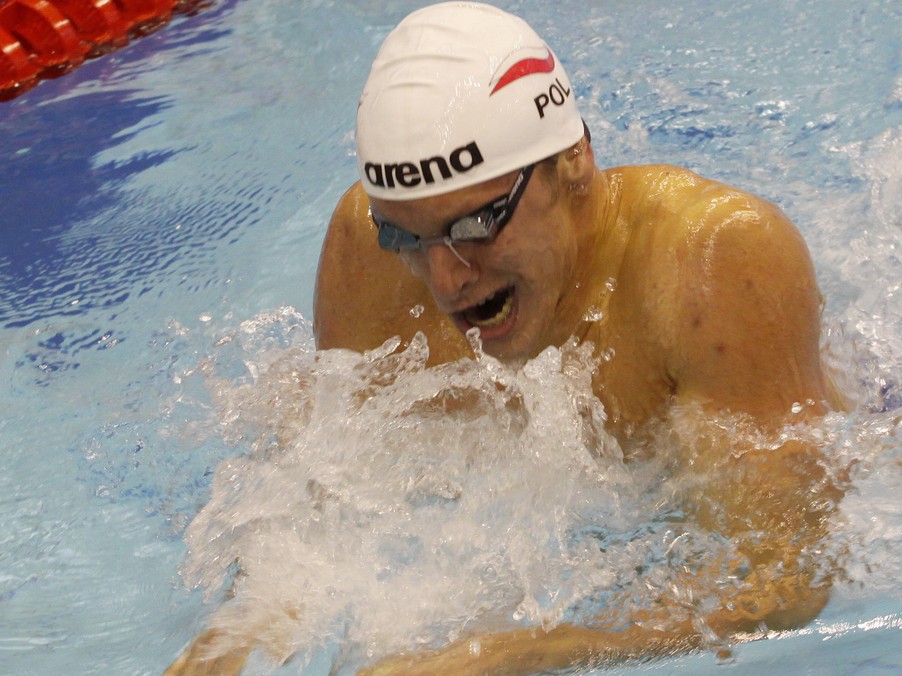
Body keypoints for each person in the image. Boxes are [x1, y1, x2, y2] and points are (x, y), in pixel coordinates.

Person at [168, 2, 844, 674]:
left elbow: (783, 585)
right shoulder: (367, 251)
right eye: (406, 234)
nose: (443, 279)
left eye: (475, 223)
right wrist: (250, 623)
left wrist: (524, 654)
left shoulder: (711, 264)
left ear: (574, 159)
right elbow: (327, 498)